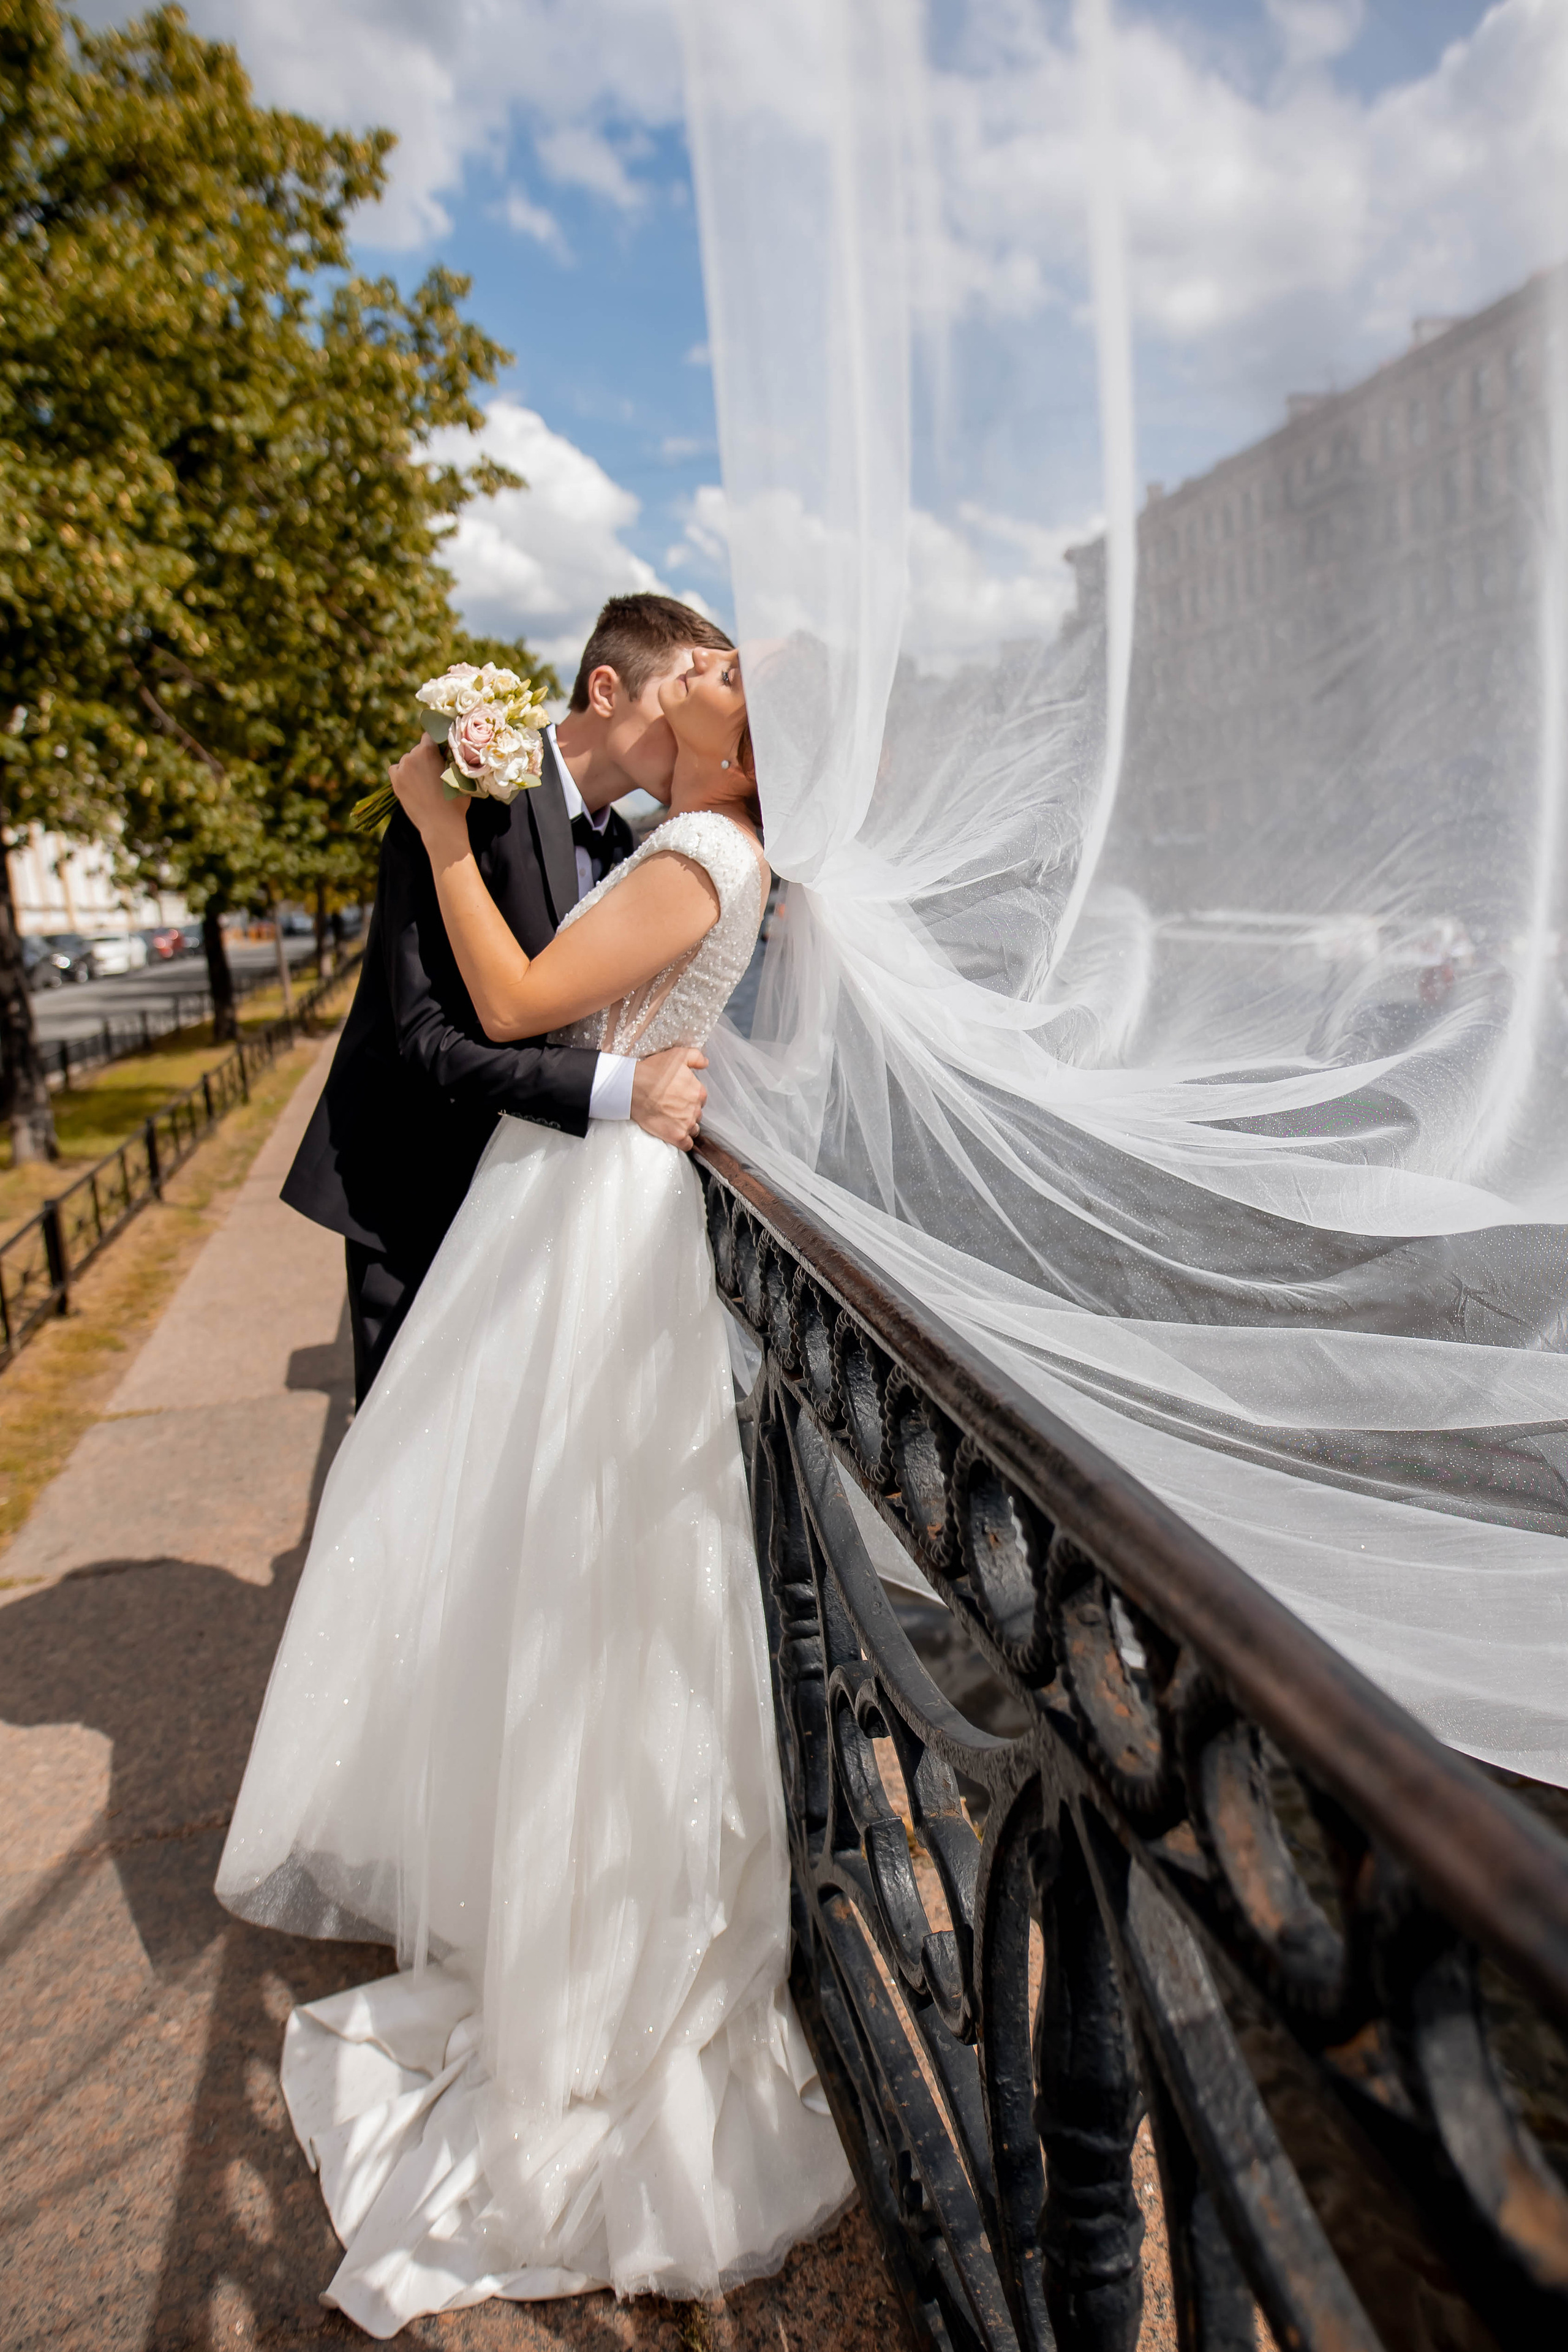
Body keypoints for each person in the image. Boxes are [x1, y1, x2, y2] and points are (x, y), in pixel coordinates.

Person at [216, 645, 854, 2336]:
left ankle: (590, 1971)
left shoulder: (703, 850)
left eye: (731, 666)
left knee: (576, 1573)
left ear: (746, 746)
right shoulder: (701, 844)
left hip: (587, 1223)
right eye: (702, 648)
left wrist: (439, 829)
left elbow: (508, 1005)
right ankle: (569, 1925)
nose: (712, 659)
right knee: (576, 1570)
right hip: (584, 1197)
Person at [281, 594, 736, 1404]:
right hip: (418, 1191)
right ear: (606, 690)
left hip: (532, 1202)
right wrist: (622, 1089)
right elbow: (424, 1039)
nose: (686, 721)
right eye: (673, 695)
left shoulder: (629, 845)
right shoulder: (457, 802)